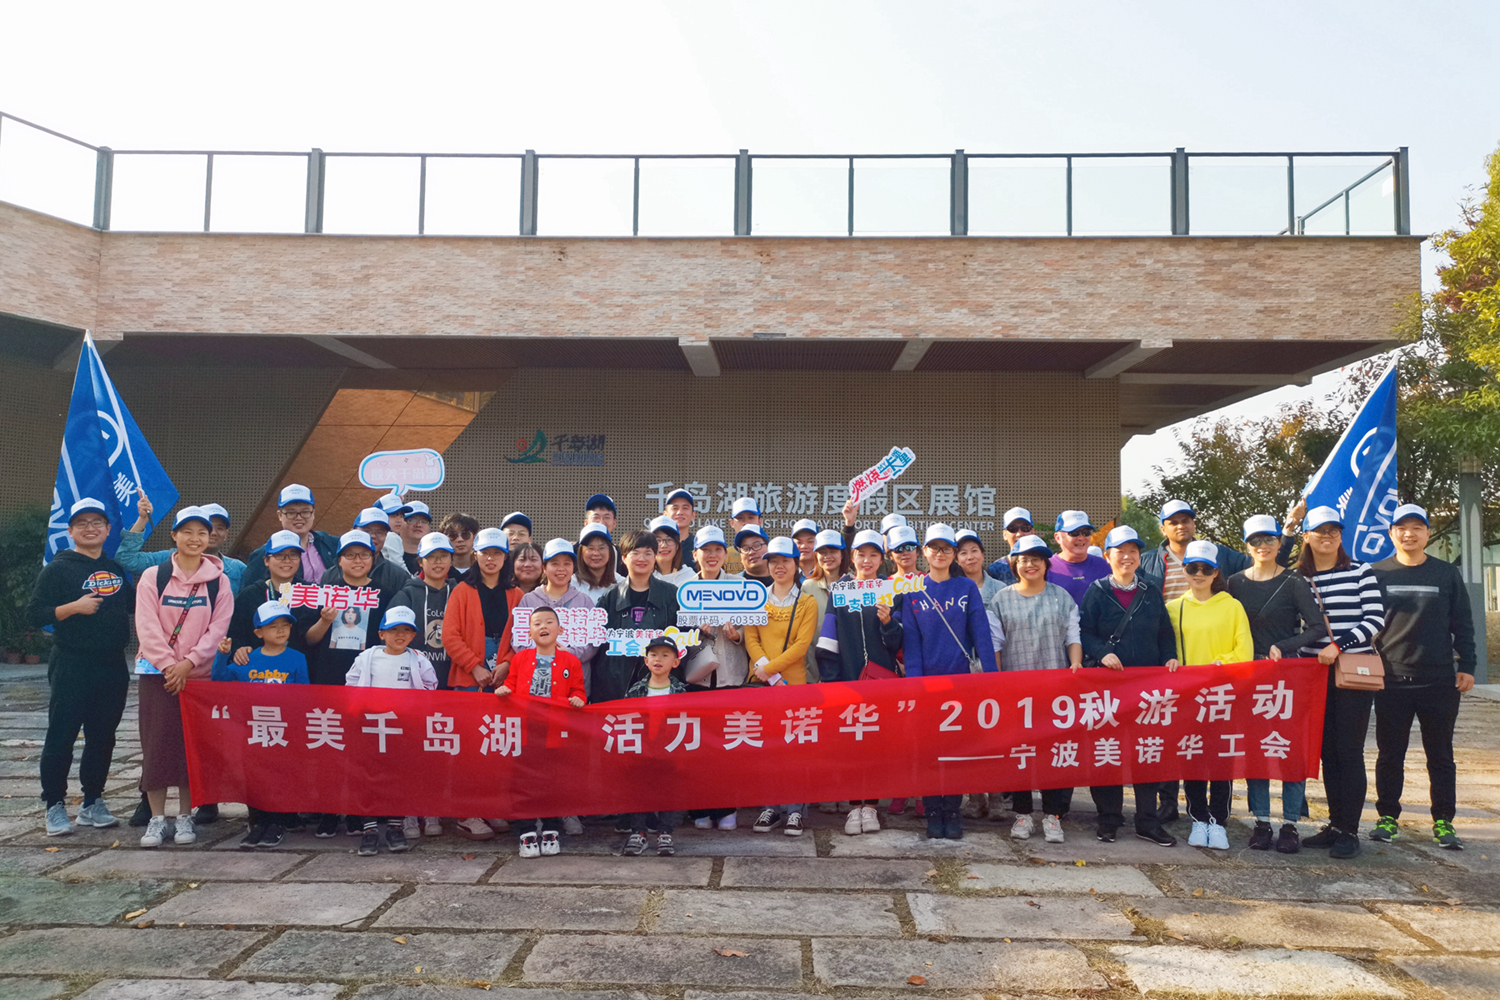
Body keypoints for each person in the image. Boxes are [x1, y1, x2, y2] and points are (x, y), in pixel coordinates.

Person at [1369, 503, 1478, 851]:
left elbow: (1463, 623)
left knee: (1441, 755)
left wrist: (1468, 665)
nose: (1409, 534)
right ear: (1391, 534)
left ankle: (1444, 821)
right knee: (1390, 754)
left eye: (1417, 527)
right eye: (1402, 528)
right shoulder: (1376, 573)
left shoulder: (1446, 574)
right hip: (1391, 679)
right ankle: (1387, 817)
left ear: (1427, 533)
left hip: (1439, 681)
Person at [30, 498, 136, 837]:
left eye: (97, 522)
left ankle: (93, 801)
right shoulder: (58, 568)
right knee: (61, 734)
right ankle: (54, 805)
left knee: (103, 736)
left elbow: (136, 605)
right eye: (82, 523)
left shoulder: (115, 568)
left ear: (107, 529)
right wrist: (72, 607)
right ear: (71, 530)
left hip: (112, 664)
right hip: (72, 662)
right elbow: (34, 615)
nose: (90, 528)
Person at [133, 506, 234, 848]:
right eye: (187, 532)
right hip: (157, 676)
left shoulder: (219, 581)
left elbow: (218, 628)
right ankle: (157, 818)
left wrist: (188, 663)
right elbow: (146, 626)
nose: (195, 538)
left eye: (202, 533)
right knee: (156, 745)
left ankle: (186, 815)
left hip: (198, 678)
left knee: (192, 748)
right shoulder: (154, 576)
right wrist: (168, 665)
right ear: (174, 535)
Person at [1225, 514, 1327, 854]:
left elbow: (1317, 627)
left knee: (1288, 748)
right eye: (1255, 541)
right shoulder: (1234, 583)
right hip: (1249, 676)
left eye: (1269, 539)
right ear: (1247, 546)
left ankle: (1291, 824)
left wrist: (1283, 646)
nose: (1263, 546)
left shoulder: (1294, 581)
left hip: (1287, 675)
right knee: (1257, 748)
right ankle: (1262, 822)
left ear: (1280, 543)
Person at [1294, 505, 1386, 860]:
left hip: (1351, 671)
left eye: (1334, 530)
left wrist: (1339, 645)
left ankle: (1350, 830)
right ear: (1307, 536)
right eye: (1320, 531)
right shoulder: (1299, 578)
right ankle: (1334, 823)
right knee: (1327, 751)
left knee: (1349, 751)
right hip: (1314, 673)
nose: (1327, 536)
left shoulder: (1360, 570)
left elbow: (1375, 619)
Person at [1080, 526, 1180, 846]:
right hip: (1108, 688)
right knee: (1107, 751)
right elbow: (1084, 633)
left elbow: (1164, 632)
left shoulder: (1150, 590)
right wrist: (1102, 652)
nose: (1127, 556)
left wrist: (1170, 657)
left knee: (1146, 752)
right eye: (1120, 551)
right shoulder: (1097, 591)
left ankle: (1147, 820)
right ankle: (1109, 818)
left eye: (1133, 551)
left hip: (1147, 687)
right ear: (1107, 556)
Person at [303, 528, 404, 838]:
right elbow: (309, 639)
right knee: (331, 744)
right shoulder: (325, 592)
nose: (358, 560)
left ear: (373, 558)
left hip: (370, 680)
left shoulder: (384, 594)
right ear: (340, 560)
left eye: (364, 555)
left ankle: (361, 811)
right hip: (330, 676)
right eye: (350, 555)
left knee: (365, 746)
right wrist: (325, 619)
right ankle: (330, 810)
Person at [904, 524, 997, 840]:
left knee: (956, 751)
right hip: (928, 686)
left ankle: (953, 811)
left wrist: (991, 680)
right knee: (929, 751)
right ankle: (934, 812)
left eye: (947, 548)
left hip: (961, 685)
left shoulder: (966, 588)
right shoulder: (914, 589)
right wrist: (915, 686)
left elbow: (981, 636)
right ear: (925, 552)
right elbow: (912, 642)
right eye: (935, 548)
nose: (940, 553)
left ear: (954, 554)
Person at [989, 533, 1081, 844]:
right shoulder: (1001, 599)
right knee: (1020, 752)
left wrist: (1075, 666)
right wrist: (997, 680)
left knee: (1054, 751)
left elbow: (1072, 636)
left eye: (1037, 559)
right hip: (1015, 689)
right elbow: (996, 643)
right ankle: (1023, 813)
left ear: (1045, 564)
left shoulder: (1061, 597)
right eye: (1024, 560)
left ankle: (1053, 815)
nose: (1031, 565)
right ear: (1015, 564)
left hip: (1055, 689)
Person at [815, 528, 903, 836]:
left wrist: (888, 623)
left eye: (873, 555)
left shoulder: (891, 589)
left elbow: (899, 644)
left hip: (882, 683)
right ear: (852, 558)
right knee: (851, 744)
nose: (867, 560)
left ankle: (872, 806)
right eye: (861, 554)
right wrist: (832, 683)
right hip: (849, 681)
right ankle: (854, 805)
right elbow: (828, 641)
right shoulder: (840, 590)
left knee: (876, 744)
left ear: (882, 559)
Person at [1167, 539, 1252, 851]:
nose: (1199, 574)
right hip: (1188, 698)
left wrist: (1222, 663)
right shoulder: (1173, 609)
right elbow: (1165, 650)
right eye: (1193, 568)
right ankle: (1198, 818)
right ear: (1184, 570)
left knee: (1220, 761)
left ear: (1217, 572)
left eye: (1206, 569)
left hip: (1223, 697)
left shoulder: (1232, 606)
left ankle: (1218, 821)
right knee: (1192, 758)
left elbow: (1244, 651)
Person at [213, 600, 309, 848]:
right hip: (253, 730)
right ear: (258, 632)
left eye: (285, 625)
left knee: (280, 775)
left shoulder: (297, 658)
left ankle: (276, 822)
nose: (280, 630)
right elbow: (219, 679)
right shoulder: (248, 660)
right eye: (272, 626)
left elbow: (304, 695)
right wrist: (222, 655)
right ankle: (257, 821)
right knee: (254, 775)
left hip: (283, 731)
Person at [344, 604, 437, 856]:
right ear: (381, 633)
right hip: (371, 726)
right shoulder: (367, 657)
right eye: (394, 630)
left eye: (406, 630)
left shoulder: (418, 659)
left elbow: (431, 686)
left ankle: (396, 827)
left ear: (414, 635)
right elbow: (351, 684)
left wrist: (412, 705)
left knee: (399, 776)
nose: (400, 635)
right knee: (369, 776)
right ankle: (370, 829)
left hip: (402, 728)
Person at [496, 606, 585, 858]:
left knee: (552, 781)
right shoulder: (521, 658)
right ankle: (525, 831)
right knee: (522, 781)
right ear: (529, 632)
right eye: (537, 624)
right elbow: (511, 683)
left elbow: (578, 689)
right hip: (525, 730)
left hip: (554, 730)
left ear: (560, 629)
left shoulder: (570, 661)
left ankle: (550, 830)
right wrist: (504, 690)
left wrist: (579, 698)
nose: (543, 627)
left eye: (549, 622)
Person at [746, 536, 819, 837]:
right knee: (767, 748)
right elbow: (751, 638)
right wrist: (765, 669)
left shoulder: (807, 602)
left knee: (794, 750)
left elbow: (802, 646)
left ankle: (795, 810)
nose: (779, 566)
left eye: (785, 561)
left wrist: (769, 669)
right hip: (764, 685)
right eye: (773, 561)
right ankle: (770, 807)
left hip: (794, 686)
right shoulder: (755, 599)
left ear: (796, 564)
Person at [594, 531, 682, 702]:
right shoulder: (610, 597)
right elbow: (598, 643)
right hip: (614, 684)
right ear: (624, 558)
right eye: (635, 553)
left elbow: (681, 638)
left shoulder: (671, 594)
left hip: (659, 685)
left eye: (648, 553)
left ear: (655, 558)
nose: (642, 558)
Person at [623, 636, 691, 856]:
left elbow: (687, 725)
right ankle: (639, 832)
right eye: (653, 655)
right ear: (646, 660)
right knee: (638, 791)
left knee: (669, 791)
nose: (658, 659)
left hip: (670, 752)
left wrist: (682, 756)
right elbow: (625, 721)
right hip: (641, 751)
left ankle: (665, 832)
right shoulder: (636, 690)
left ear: (676, 662)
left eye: (665, 655)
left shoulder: (680, 692)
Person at [517, 539, 600, 700]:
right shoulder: (529, 600)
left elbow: (593, 643)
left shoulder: (584, 601)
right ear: (544, 568)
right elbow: (518, 640)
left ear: (573, 568)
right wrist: (544, 654)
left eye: (567, 564)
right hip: (535, 684)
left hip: (573, 689)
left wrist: (570, 654)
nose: (561, 569)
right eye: (554, 564)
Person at [117, 492, 247, 594]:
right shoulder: (166, 559)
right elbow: (126, 558)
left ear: (226, 535)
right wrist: (142, 520)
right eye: (208, 528)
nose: (213, 533)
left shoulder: (238, 569)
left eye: (220, 528)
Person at [224, 530, 316, 663]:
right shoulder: (249, 595)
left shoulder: (311, 592)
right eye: (279, 555)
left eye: (293, 555)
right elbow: (235, 633)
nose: (287, 560)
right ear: (266, 561)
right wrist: (239, 648)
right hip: (257, 669)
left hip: (299, 669)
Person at [1140, 500, 1253, 600]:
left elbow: (1255, 566)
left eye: (1185, 521)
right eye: (1173, 523)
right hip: (1166, 618)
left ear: (1193, 524)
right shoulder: (1146, 562)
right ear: (1163, 530)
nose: (1181, 526)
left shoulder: (1218, 553)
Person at [391, 532, 459, 693]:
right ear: (420, 562)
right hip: (413, 681)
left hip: (454, 679)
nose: (438, 562)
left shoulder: (460, 593)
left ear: (451, 560)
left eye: (443, 556)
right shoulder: (407, 594)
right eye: (431, 557)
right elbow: (391, 636)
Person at [241, 485, 340, 591]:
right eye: (291, 512)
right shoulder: (264, 554)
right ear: (279, 515)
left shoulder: (331, 543)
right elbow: (251, 593)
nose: (299, 517)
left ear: (313, 514)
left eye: (305, 512)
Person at [801, 528, 848, 685]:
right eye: (822, 552)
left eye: (833, 551)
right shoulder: (807, 586)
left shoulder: (854, 585)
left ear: (842, 554)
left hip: (847, 668)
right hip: (813, 670)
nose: (827, 556)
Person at [1049, 510, 1110, 606]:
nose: (1081, 538)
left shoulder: (1104, 566)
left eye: (1085, 532)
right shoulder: (1046, 569)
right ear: (1058, 538)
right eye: (1074, 533)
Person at [349, 507, 417, 593]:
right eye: (366, 531)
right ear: (352, 532)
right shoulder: (335, 572)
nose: (373, 536)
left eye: (379, 532)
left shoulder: (398, 576)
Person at [985, 507, 1036, 583]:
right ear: (1005, 535)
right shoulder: (994, 570)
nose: (1019, 534)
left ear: (1033, 532)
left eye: (1025, 528)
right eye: (1013, 529)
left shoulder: (1043, 567)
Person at [575, 523, 624, 603]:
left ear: (610, 551)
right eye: (591, 548)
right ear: (581, 552)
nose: (596, 553)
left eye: (601, 548)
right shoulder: (571, 585)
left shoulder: (622, 584)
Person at [650, 515, 697, 587]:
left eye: (669, 540)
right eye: (658, 540)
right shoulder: (643, 575)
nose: (664, 545)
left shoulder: (689, 578)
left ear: (677, 545)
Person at [662, 488, 698, 570]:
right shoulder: (657, 546)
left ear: (693, 515)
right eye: (675, 508)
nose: (680, 512)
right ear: (665, 514)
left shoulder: (699, 546)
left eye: (685, 508)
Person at [725, 497, 763, 574]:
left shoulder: (769, 554)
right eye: (740, 518)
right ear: (731, 523)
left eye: (750, 518)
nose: (746, 523)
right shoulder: (724, 555)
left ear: (760, 522)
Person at [398, 501, 435, 575]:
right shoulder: (388, 553)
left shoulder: (435, 556)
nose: (418, 525)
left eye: (424, 521)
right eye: (411, 520)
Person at [374, 494, 411, 564]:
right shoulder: (392, 536)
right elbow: (398, 565)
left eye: (401, 516)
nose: (399, 520)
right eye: (393, 515)